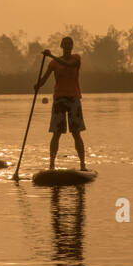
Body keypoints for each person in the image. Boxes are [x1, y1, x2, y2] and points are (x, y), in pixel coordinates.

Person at [35, 36, 87, 170]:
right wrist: (38, 85)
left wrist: (51, 55)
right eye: (65, 44)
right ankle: (51, 164)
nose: (68, 46)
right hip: (59, 99)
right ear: (62, 46)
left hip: (74, 99)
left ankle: (82, 165)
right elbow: (45, 79)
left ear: (72, 46)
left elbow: (68, 65)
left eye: (70, 44)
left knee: (76, 133)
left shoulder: (76, 58)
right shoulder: (53, 63)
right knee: (56, 133)